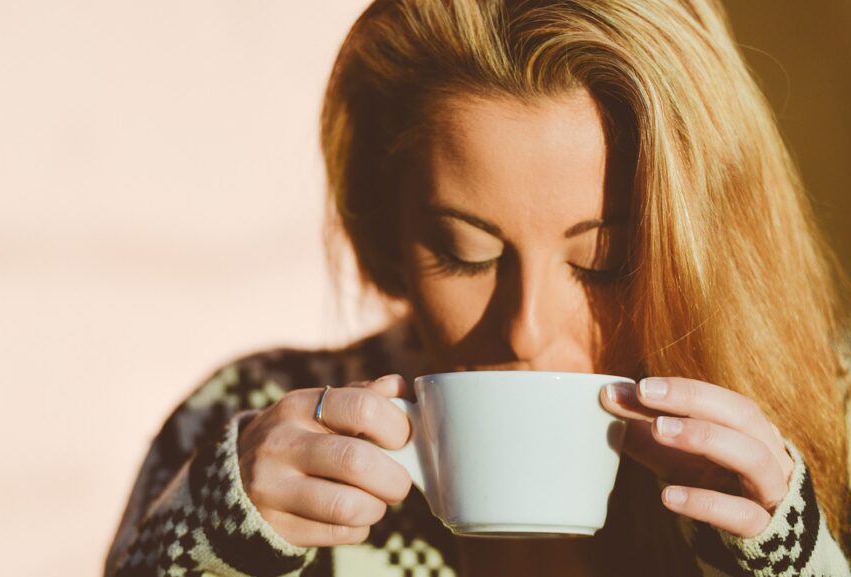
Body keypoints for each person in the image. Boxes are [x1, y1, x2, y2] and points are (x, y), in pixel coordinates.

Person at [104, 0, 851, 575]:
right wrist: (204, 549)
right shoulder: (247, 419)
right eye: (465, 253)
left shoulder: (833, 417)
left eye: (605, 262)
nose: (525, 328)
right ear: (388, 231)